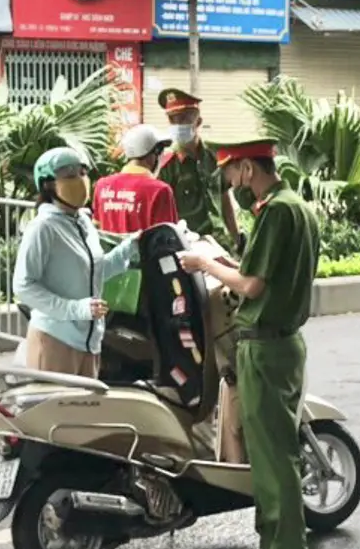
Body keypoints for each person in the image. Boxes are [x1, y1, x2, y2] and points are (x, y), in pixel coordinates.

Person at [179, 140, 320, 549]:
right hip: (279, 343)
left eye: (230, 174)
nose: (228, 184)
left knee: (277, 459)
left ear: (244, 168)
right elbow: (262, 272)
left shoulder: (277, 212)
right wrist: (225, 264)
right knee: (267, 455)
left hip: (268, 347)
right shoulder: (291, 205)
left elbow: (254, 285)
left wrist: (205, 264)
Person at [13, 145, 138, 376]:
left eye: (82, 173)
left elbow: (93, 270)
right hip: (55, 340)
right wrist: (75, 309)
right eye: (69, 176)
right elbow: (23, 286)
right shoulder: (43, 228)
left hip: (89, 341)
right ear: (48, 184)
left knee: (86, 411)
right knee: (56, 411)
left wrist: (128, 249)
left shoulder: (83, 222)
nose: (80, 181)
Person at [155, 88, 243, 252]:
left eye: (185, 118)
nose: (179, 124)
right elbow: (162, 213)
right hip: (189, 247)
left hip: (221, 242)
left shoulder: (214, 156)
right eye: (173, 120)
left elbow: (224, 198)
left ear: (198, 121)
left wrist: (236, 236)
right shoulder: (166, 164)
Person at [92, 124, 178, 236]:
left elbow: (96, 229)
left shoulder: (102, 185)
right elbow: (168, 239)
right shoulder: (160, 190)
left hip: (109, 254)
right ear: (155, 152)